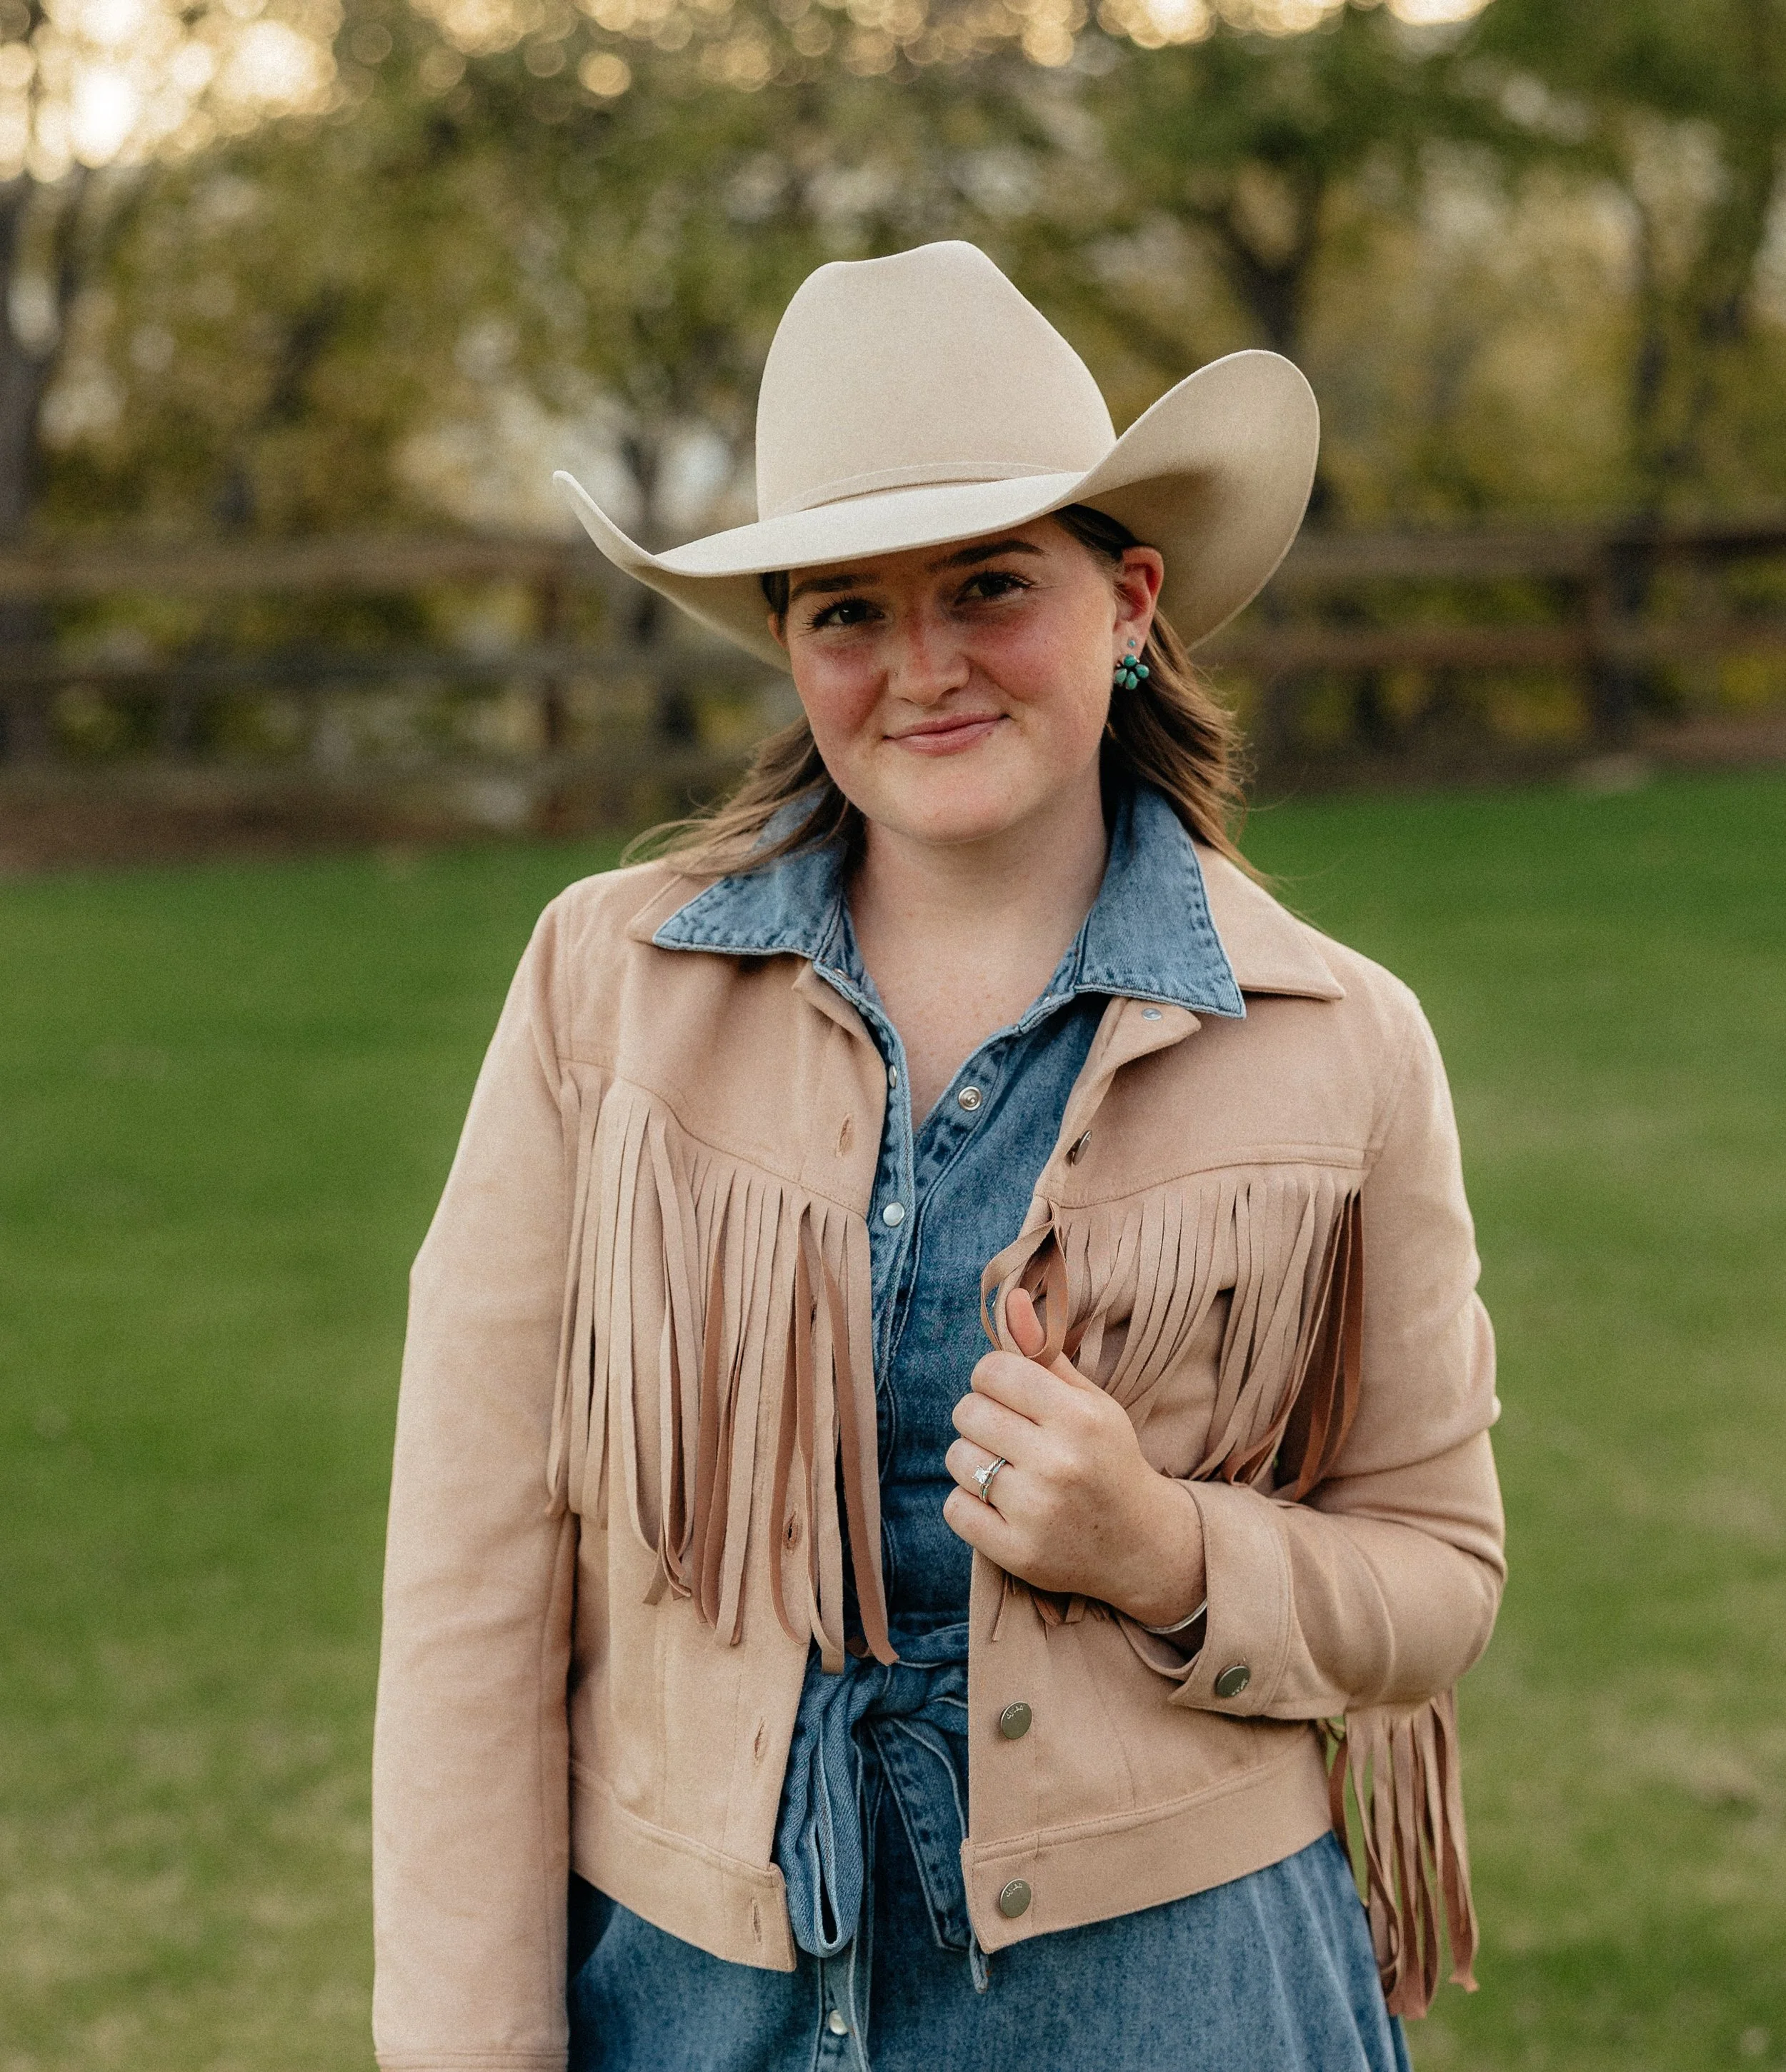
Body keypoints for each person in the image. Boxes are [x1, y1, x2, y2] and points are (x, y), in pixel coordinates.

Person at [371, 241, 1505, 2072]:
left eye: (988, 586)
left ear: (1130, 604)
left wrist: (1166, 1551)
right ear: (786, 647)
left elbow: (1437, 1569)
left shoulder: (1338, 1042)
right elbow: (469, 1593)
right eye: (844, 611)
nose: (921, 668)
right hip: (694, 2009)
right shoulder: (604, 994)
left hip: (1180, 2007)